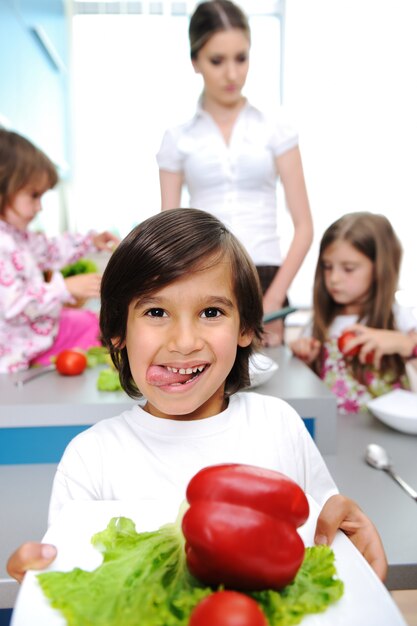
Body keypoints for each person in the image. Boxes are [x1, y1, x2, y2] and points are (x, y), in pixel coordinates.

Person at [7, 209, 386, 583]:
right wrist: (48, 587)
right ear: (117, 332)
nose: (184, 342)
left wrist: (350, 531)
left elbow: (324, 535)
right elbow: (77, 579)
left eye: (210, 312)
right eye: (156, 311)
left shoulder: (279, 425)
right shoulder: (91, 458)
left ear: (246, 329)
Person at [156, 0, 313, 347]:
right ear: (195, 61)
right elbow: (168, 232)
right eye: (217, 60)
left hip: (267, 278)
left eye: (241, 58)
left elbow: (304, 227)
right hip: (203, 278)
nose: (232, 74)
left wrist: (272, 300)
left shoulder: (276, 130)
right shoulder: (177, 139)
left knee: (269, 390)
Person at [0, 128, 119, 373]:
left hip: (36, 330)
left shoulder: (15, 236)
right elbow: (12, 307)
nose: (39, 207)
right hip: (16, 348)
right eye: (33, 196)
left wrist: (89, 241)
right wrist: (64, 288)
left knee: (92, 322)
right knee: (93, 327)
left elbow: (49, 249)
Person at [290, 212, 417, 414]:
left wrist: (405, 344)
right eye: (327, 267)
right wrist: (305, 357)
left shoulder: (397, 316)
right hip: (334, 432)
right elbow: (301, 384)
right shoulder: (319, 322)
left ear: (379, 269)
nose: (333, 279)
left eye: (348, 269)